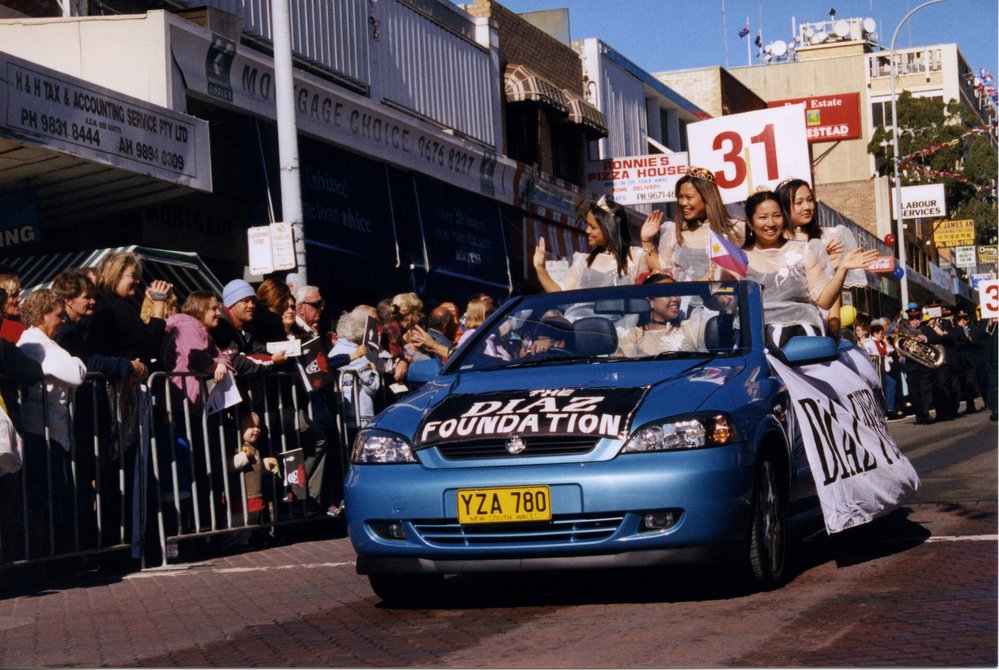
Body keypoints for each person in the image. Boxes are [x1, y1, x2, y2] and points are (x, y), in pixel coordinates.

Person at [740, 189, 878, 349]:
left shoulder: (805, 251)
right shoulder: (738, 258)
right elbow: (725, 303)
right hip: (751, 340)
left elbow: (824, 301)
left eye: (776, 216)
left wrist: (842, 269)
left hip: (799, 337)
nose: (770, 223)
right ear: (750, 223)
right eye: (763, 217)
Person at [17, 288, 88, 556]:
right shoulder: (37, 345)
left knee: (52, 499)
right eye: (58, 315)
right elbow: (77, 373)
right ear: (42, 315)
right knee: (46, 500)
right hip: (43, 433)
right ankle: (48, 559)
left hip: (53, 431)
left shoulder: (44, 344)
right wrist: (74, 360)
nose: (62, 320)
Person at [775, 178, 866, 341]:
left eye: (810, 200)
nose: (807, 207)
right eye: (799, 202)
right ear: (783, 206)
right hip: (782, 320)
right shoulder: (773, 241)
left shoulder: (828, 236)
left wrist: (834, 322)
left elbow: (834, 286)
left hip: (820, 318)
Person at [640, 167, 745, 282]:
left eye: (689, 197)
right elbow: (664, 270)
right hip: (683, 298)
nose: (683, 203)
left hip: (720, 297)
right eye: (680, 197)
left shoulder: (734, 229)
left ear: (707, 198)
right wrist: (646, 240)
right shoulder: (676, 230)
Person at [534, 195, 643, 292]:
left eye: (593, 227)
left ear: (610, 229)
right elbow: (561, 294)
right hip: (579, 315)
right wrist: (540, 268)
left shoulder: (636, 256)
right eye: (588, 225)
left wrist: (647, 242)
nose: (587, 230)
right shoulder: (582, 261)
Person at [162, 291, 233, 411]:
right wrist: (217, 365)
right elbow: (199, 360)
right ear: (200, 310)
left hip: (195, 403)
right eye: (214, 309)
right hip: (183, 403)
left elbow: (220, 354)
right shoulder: (187, 328)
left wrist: (222, 364)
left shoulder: (202, 330)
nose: (218, 313)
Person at [616, 274, 717, 357]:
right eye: (667, 293)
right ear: (650, 301)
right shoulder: (631, 336)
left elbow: (721, 326)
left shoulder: (690, 329)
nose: (675, 299)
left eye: (677, 293)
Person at [0, 272, 27, 344]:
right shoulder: (16, 329)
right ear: (2, 298)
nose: (19, 299)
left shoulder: (22, 321)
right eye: (14, 295)